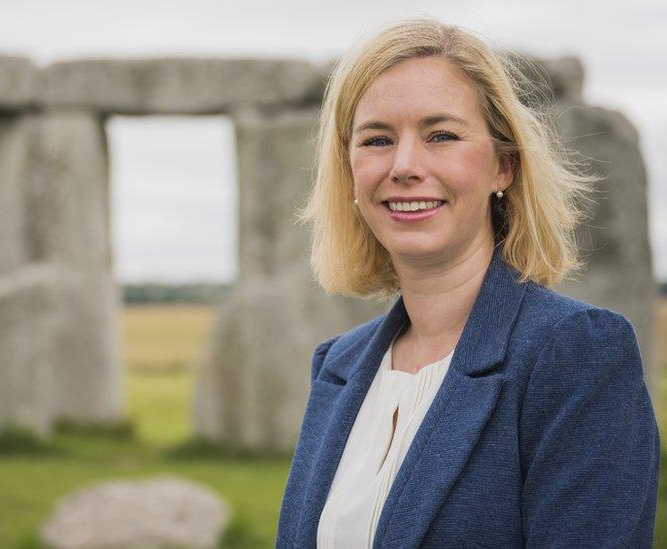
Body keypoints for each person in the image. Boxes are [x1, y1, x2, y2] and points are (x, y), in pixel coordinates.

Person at [276, 18, 660, 549]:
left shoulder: (576, 353)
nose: (405, 165)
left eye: (442, 136)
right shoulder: (338, 365)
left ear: (503, 167)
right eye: (377, 139)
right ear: (349, 172)